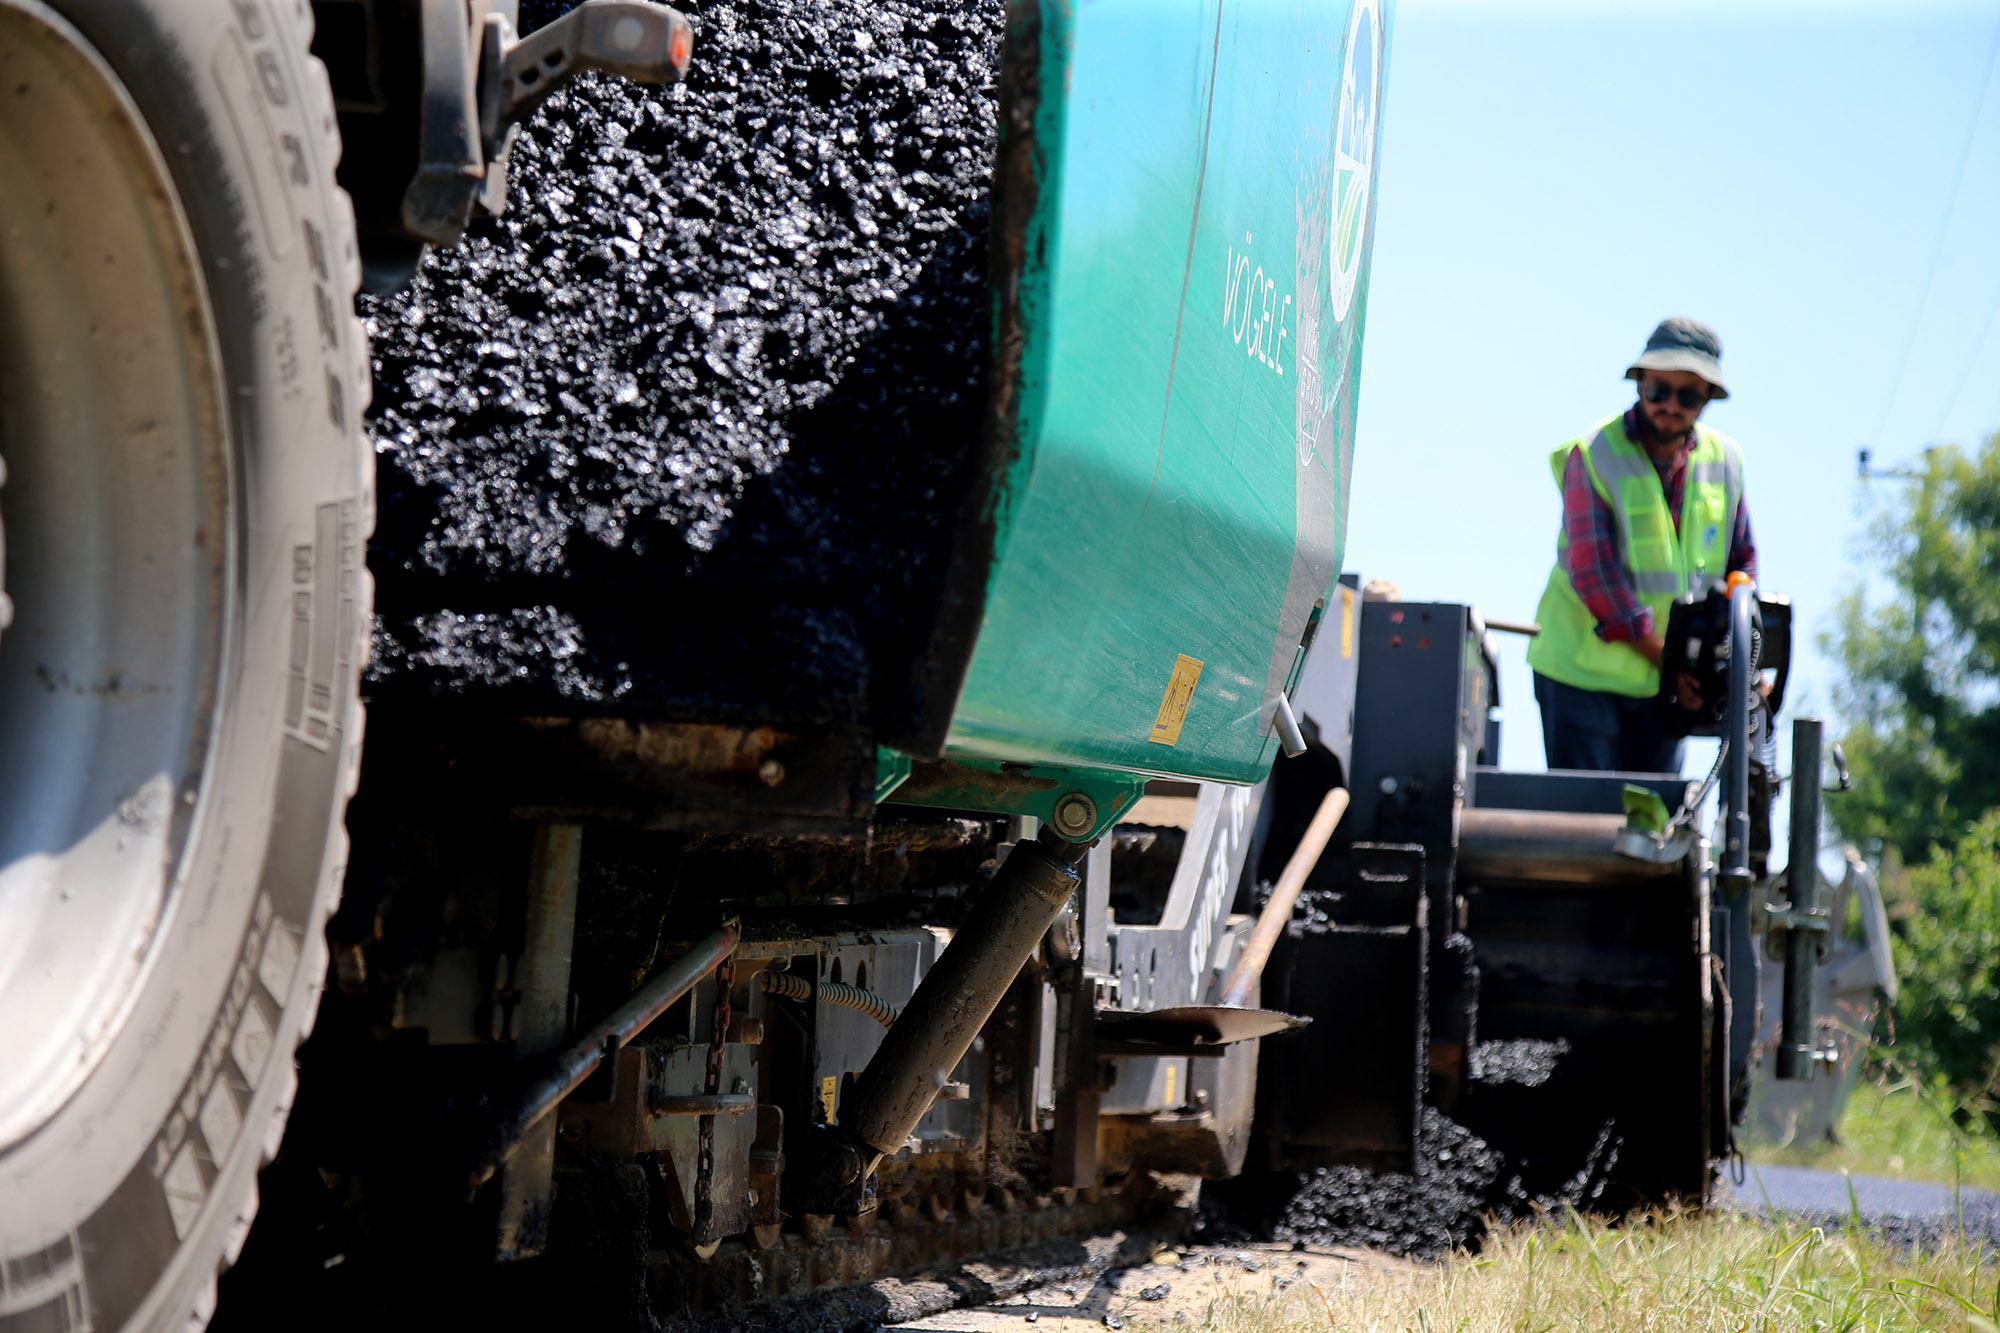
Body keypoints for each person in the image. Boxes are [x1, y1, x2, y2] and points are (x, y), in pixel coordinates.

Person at [1524, 317, 1756, 773]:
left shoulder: (1726, 460)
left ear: (1708, 398)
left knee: (1655, 830)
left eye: (1687, 395)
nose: (1670, 405)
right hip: (1579, 676)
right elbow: (1595, 576)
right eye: (1658, 390)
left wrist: (1738, 658)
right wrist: (1673, 665)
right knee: (1586, 830)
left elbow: (1741, 561)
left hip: (1664, 684)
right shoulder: (1593, 454)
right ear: (1638, 384)